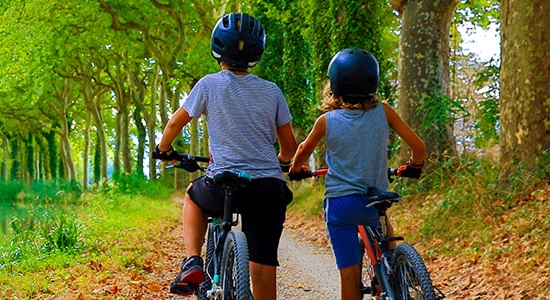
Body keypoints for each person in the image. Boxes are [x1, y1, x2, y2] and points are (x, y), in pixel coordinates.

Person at [151, 12, 298, 299]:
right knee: (264, 264)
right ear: (257, 52)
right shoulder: (272, 91)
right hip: (267, 187)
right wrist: (281, 160)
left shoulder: (208, 84)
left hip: (223, 183)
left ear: (217, 48)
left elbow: (174, 123)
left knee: (193, 195)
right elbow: (290, 148)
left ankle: (193, 260)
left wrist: (164, 149)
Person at [287, 48, 427, 300]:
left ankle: (387, 272)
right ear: (373, 81)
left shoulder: (326, 121)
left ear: (335, 85)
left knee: (350, 277)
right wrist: (414, 166)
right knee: (382, 221)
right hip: (375, 199)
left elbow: (302, 151)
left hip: (341, 204)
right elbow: (419, 148)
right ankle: (401, 268)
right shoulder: (384, 111)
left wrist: (296, 169)